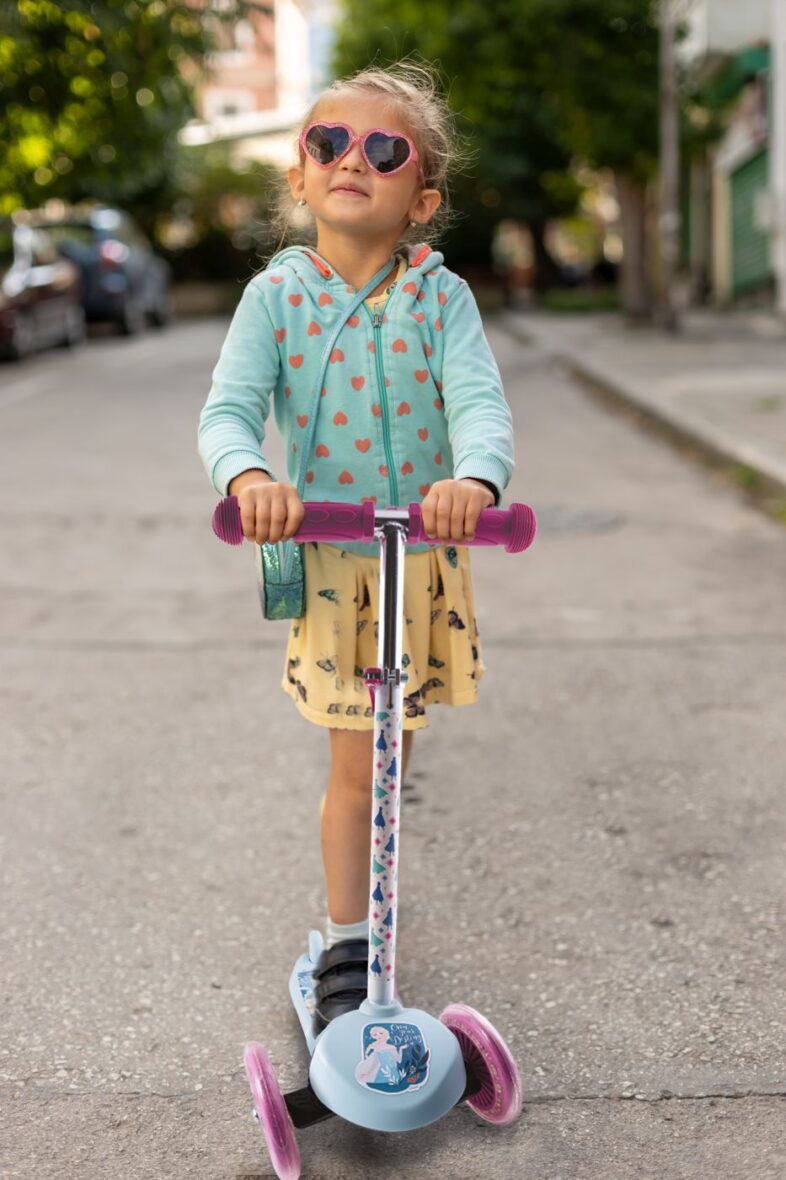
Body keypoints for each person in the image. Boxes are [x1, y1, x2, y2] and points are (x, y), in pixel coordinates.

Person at [198, 61, 515, 1033]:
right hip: (337, 570)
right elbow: (230, 413)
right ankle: (349, 944)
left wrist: (475, 481)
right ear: (299, 177)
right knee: (357, 767)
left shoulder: (440, 298)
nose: (352, 161)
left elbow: (478, 403)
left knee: (393, 759)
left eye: (384, 150)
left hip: (418, 563)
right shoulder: (276, 300)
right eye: (327, 143)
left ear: (420, 199)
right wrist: (250, 479)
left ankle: (370, 934)